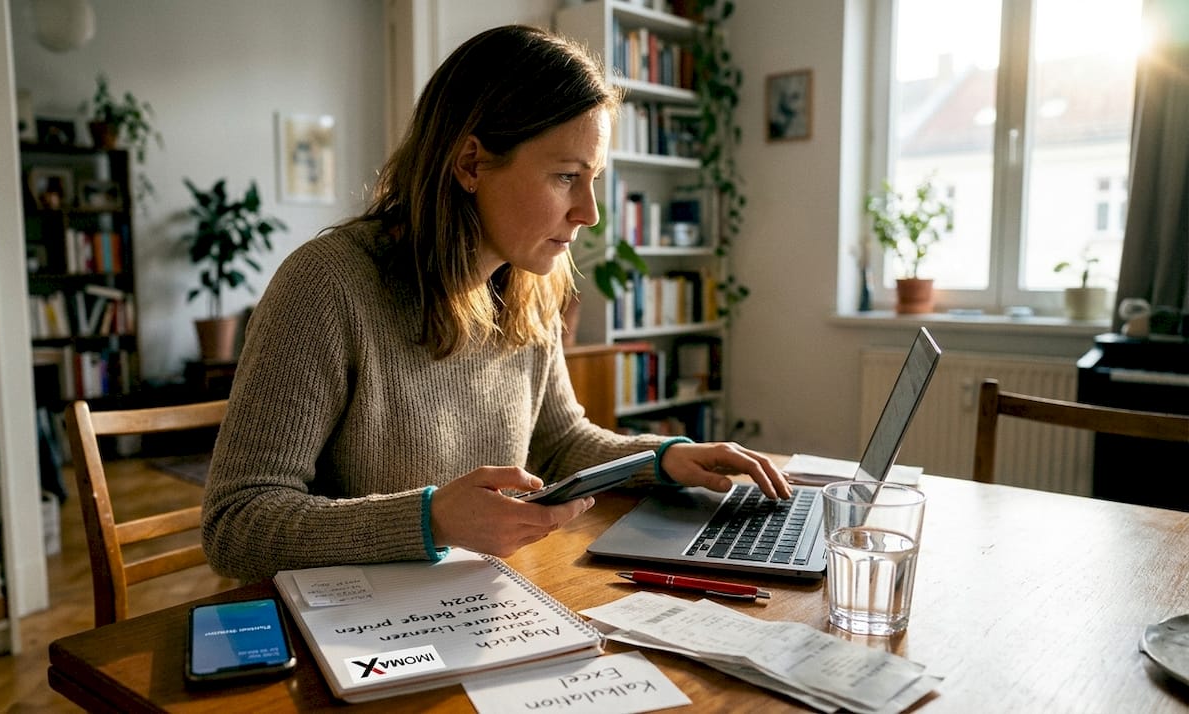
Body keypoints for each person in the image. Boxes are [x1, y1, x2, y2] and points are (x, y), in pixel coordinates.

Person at [202, 24, 791, 584]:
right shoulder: (328, 285)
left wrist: (663, 458)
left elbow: (560, 442)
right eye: (566, 176)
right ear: (470, 163)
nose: (589, 212)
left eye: (594, 179)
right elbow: (236, 525)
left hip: (483, 597)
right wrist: (429, 519)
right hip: (354, 637)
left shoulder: (532, 282)